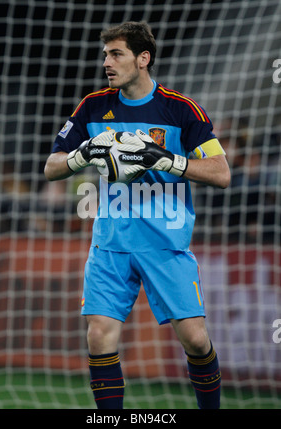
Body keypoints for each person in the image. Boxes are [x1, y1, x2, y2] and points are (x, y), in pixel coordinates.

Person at [44, 21, 231, 409]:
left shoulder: (181, 109)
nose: (107, 63)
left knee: (196, 339)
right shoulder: (93, 106)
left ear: (143, 58)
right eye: (105, 55)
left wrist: (167, 160)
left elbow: (221, 172)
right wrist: (83, 154)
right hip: (110, 244)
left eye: (116, 54)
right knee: (99, 336)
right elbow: (51, 166)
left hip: (165, 245)